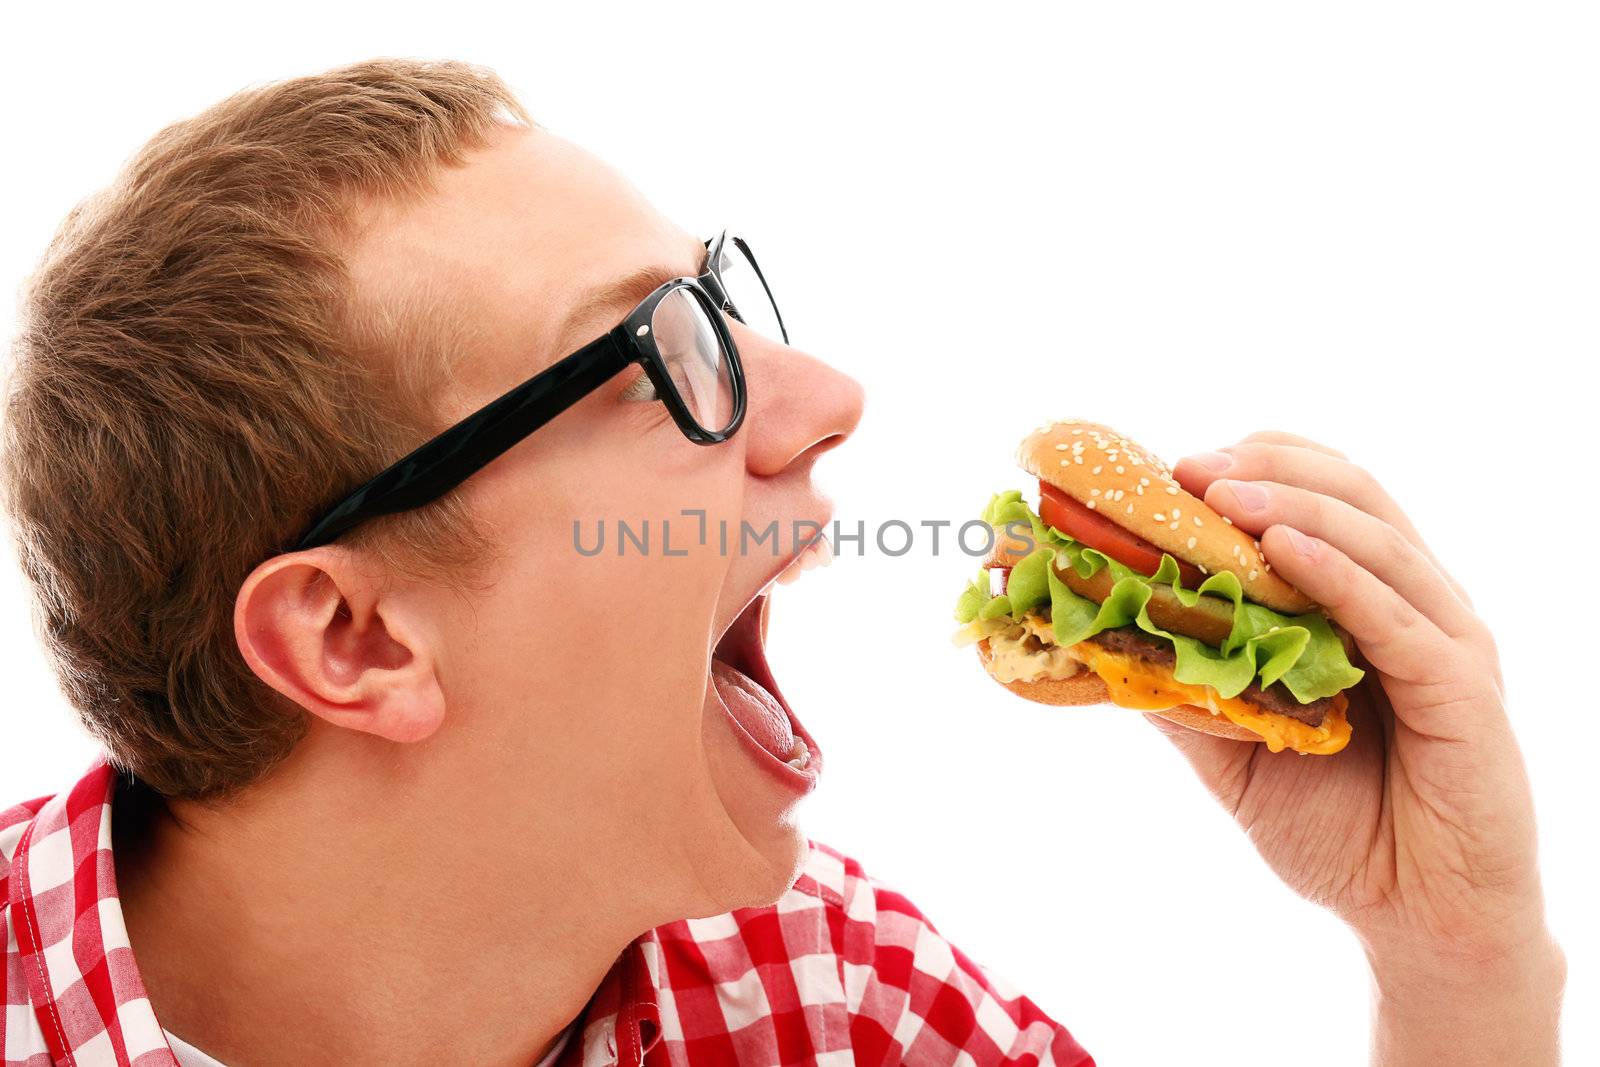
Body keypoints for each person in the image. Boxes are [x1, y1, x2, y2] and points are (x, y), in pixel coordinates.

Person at [0, 59, 1563, 1066]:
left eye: (727, 299)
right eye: (659, 356)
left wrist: (1455, 964)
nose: (824, 399)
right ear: (354, 639)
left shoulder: (825, 998)